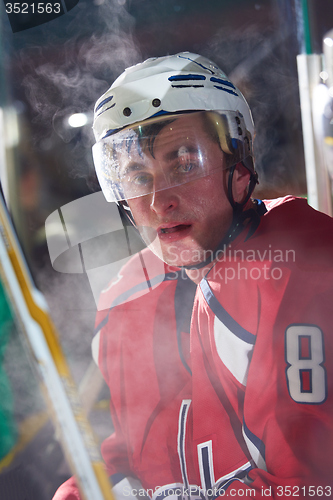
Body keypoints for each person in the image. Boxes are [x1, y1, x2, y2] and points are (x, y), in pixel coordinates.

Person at [54, 52, 333, 500]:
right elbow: (125, 461)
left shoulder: (300, 263)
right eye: (137, 176)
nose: (158, 200)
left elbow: (311, 485)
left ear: (238, 167)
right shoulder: (126, 296)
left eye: (183, 163)